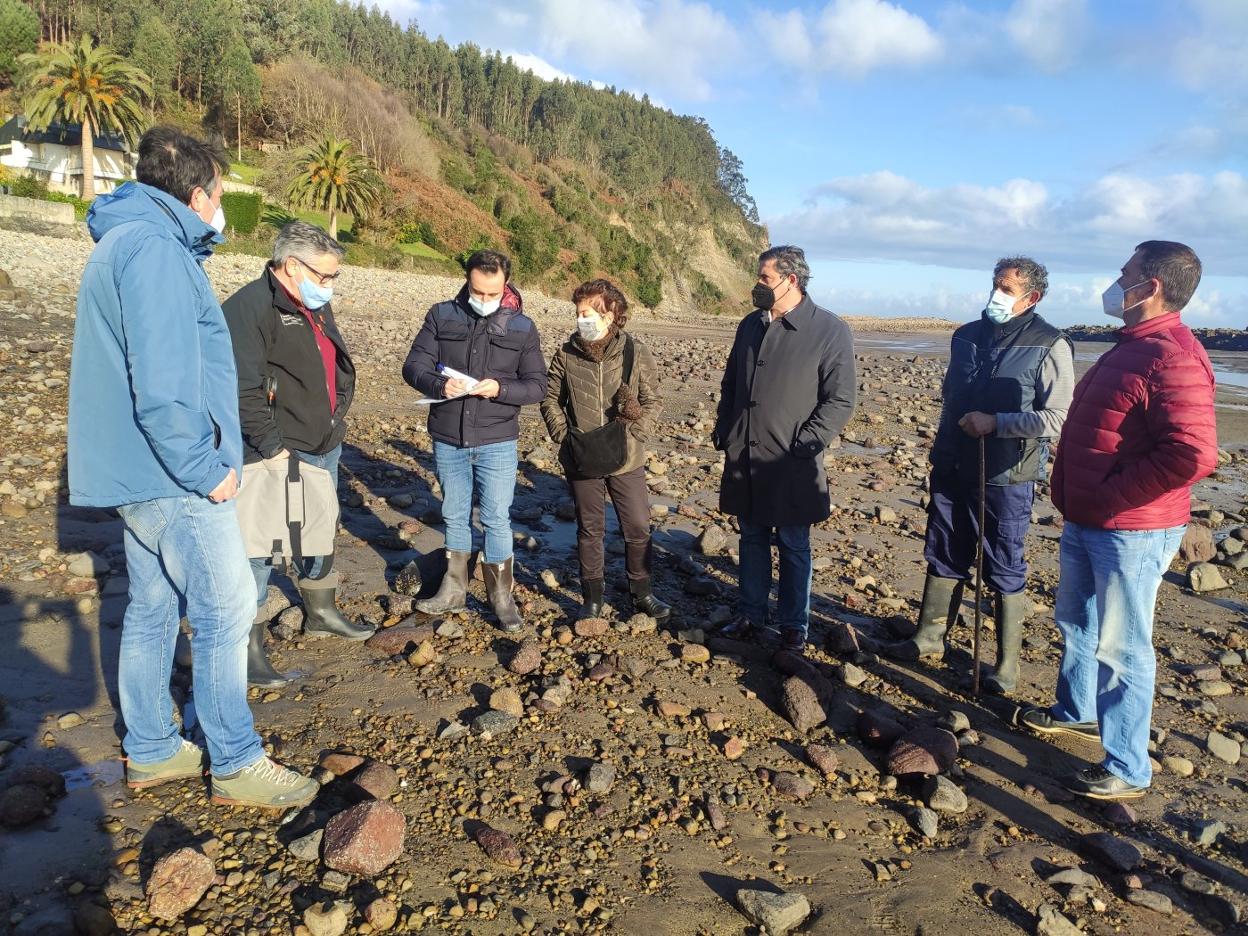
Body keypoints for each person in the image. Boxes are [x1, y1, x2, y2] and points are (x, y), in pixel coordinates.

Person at [66, 127, 317, 808]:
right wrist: (206, 467)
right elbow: (164, 381)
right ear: (200, 193)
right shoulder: (155, 253)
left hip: (135, 468)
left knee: (152, 605)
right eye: (219, 198)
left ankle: (150, 747)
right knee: (228, 601)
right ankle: (234, 759)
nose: (219, 213)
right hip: (171, 472)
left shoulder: (129, 240)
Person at [1019, 241, 1218, 801]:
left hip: (1131, 530)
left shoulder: (1172, 354)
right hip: (1093, 520)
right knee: (1078, 624)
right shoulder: (1135, 345)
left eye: (1124, 273)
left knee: (1123, 646)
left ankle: (1127, 767)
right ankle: (1076, 710)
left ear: (1150, 287)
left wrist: (1111, 498)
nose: (1116, 281)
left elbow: (1194, 455)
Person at [884, 257, 1073, 694]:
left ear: (1033, 297)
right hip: (952, 463)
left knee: (1003, 563)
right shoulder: (965, 336)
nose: (997, 294)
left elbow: (1060, 417)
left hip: (1007, 474)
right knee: (944, 548)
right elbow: (952, 397)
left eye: (1007, 288)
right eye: (995, 284)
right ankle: (930, 637)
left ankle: (1006, 667)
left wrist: (999, 423)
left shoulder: (1050, 344)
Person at [221, 221, 372, 689]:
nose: (329, 286)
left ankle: (321, 611)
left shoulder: (312, 306)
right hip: (275, 451)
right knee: (260, 546)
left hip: (323, 442)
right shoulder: (249, 308)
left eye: (333, 278)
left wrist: (336, 415)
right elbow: (241, 389)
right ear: (291, 266)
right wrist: (272, 448)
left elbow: (332, 364)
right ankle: (246, 647)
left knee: (321, 527)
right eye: (324, 276)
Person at [713, 245, 856, 653]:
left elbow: (841, 400)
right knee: (751, 537)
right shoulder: (749, 325)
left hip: (794, 460)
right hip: (745, 452)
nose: (756, 285)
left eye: (764, 278)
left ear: (790, 280)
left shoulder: (829, 330)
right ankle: (750, 613)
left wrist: (805, 444)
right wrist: (725, 429)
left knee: (794, 543)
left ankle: (795, 625)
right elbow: (730, 383)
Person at [402, 250, 546, 632]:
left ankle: (501, 597)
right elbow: (413, 366)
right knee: (453, 512)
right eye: (477, 292)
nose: (484, 300)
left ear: (506, 285)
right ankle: (453, 589)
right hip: (448, 436)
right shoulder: (441, 315)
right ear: (467, 281)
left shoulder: (522, 328)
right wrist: (438, 383)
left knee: (497, 517)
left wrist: (500, 388)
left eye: (492, 293)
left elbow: (537, 386)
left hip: (498, 438)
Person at [539, 279, 672, 623]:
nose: (582, 318)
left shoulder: (635, 351)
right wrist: (563, 435)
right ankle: (592, 599)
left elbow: (653, 400)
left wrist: (637, 432)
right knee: (590, 529)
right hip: (581, 454)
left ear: (612, 312)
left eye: (589, 311)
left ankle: (642, 594)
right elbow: (550, 398)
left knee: (639, 526)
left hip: (626, 456)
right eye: (579, 311)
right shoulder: (565, 353)